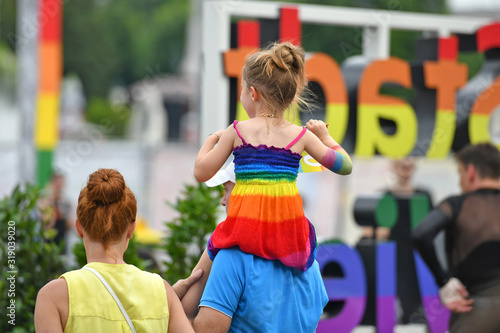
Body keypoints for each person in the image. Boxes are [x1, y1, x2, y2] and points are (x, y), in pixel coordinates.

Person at [184, 42, 351, 323]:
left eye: (241, 91)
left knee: (195, 281)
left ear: (253, 93)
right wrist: (324, 137)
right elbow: (344, 165)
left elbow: (201, 172)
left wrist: (210, 142)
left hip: (243, 229)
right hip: (288, 236)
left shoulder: (237, 131)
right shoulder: (302, 137)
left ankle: (182, 308)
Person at [34, 168, 195, 332]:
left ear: (79, 228)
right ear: (132, 229)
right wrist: (166, 303)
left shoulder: (53, 297)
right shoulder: (163, 292)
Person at [194, 162, 329, 332]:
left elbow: (207, 330)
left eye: (227, 190)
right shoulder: (311, 265)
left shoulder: (233, 258)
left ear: (245, 196)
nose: (223, 201)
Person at [413, 143, 500, 332]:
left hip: (474, 313)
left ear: (470, 172)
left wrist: (444, 281)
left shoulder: (458, 205)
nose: (460, 181)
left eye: (459, 173)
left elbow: (421, 234)